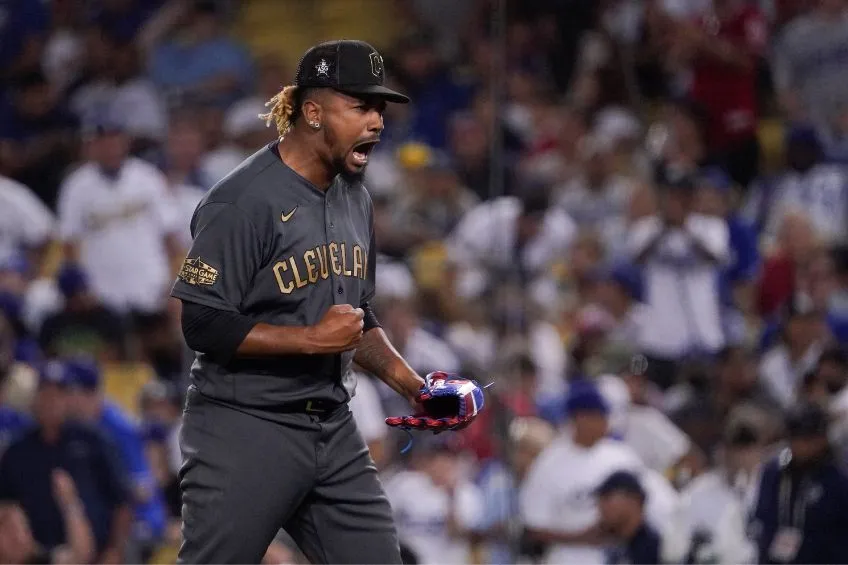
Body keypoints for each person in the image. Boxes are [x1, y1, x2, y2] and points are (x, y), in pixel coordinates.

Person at [170, 40, 481, 564]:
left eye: (379, 108)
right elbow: (202, 322)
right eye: (360, 106)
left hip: (333, 426)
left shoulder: (354, 194)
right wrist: (311, 339)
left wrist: (413, 387)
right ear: (312, 113)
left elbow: (357, 317)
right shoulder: (241, 201)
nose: (376, 121)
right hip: (246, 425)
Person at [0, 360, 132, 563]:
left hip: (96, 557)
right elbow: (6, 506)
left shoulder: (94, 441)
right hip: (36, 558)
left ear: (67, 399)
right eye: (45, 393)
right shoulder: (17, 450)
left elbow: (122, 502)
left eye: (58, 394)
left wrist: (114, 551)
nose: (51, 401)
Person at [749, 402, 848, 564]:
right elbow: (763, 519)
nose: (800, 444)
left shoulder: (839, 479)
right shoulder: (774, 472)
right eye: (795, 437)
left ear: (822, 438)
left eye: (807, 438)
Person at [595, 471, 664, 565]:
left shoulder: (656, 550)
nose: (600, 505)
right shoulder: (617, 547)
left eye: (607, 497)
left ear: (633, 500)